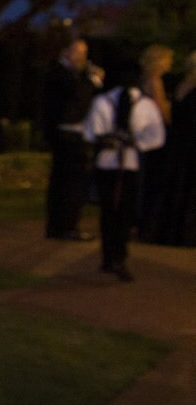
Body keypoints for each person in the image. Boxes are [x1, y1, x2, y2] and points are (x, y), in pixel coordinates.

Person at [82, 64, 166, 282]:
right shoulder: (145, 104)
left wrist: (111, 140)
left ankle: (110, 255)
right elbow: (157, 136)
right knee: (123, 211)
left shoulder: (103, 101)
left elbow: (91, 132)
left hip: (110, 164)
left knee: (109, 210)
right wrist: (137, 143)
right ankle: (117, 255)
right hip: (127, 165)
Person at [41, 38, 104, 240]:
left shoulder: (70, 74)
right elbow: (77, 98)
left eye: (84, 53)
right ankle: (66, 226)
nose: (82, 58)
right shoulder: (61, 74)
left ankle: (61, 226)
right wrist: (92, 81)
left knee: (65, 182)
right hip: (68, 135)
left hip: (70, 133)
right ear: (65, 51)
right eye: (78, 52)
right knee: (71, 183)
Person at [155, 51, 196, 245]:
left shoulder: (181, 84)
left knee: (178, 186)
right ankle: (185, 234)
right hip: (190, 144)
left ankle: (171, 231)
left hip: (179, 143)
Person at [137, 44, 174, 240]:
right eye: (168, 59)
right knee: (153, 180)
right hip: (155, 135)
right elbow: (161, 110)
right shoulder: (154, 80)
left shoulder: (144, 78)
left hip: (144, 134)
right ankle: (148, 225)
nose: (170, 64)